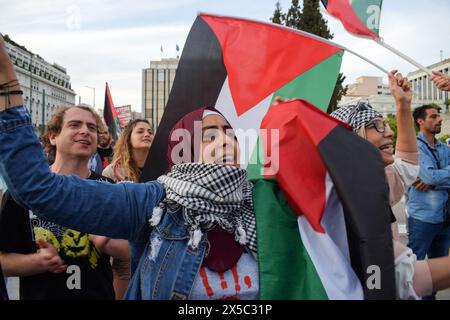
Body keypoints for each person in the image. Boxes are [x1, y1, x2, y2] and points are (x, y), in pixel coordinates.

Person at [1, 34, 450, 300]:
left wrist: (401, 106)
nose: (223, 141)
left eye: (229, 132)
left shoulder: (283, 200)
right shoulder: (153, 202)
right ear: (183, 150)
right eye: (207, 133)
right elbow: (39, 190)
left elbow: (398, 277)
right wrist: (7, 90)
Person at [331, 70, 448, 299]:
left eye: (386, 124)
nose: (390, 131)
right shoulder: (348, 203)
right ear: (352, 138)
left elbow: (407, 165)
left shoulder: (371, 180)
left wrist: (403, 105)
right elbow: (402, 277)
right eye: (377, 126)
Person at [0, 105, 129, 300]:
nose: (85, 131)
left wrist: (107, 242)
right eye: (75, 124)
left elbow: (130, 252)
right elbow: (3, 260)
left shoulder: (109, 189)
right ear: (53, 136)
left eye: (92, 128)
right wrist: (38, 261)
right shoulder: (26, 192)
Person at [102, 119, 153, 299]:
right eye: (140, 131)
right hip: (125, 250)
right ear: (128, 138)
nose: (147, 134)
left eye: (150, 131)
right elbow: (109, 212)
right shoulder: (112, 171)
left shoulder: (162, 169)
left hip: (155, 246)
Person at [407, 104, 450, 299]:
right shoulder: (414, 147)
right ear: (420, 121)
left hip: (445, 217)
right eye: (433, 116)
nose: (439, 119)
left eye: (439, 116)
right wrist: (434, 179)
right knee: (413, 266)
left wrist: (432, 181)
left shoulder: (444, 147)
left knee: (437, 271)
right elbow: (429, 176)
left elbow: (430, 179)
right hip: (422, 218)